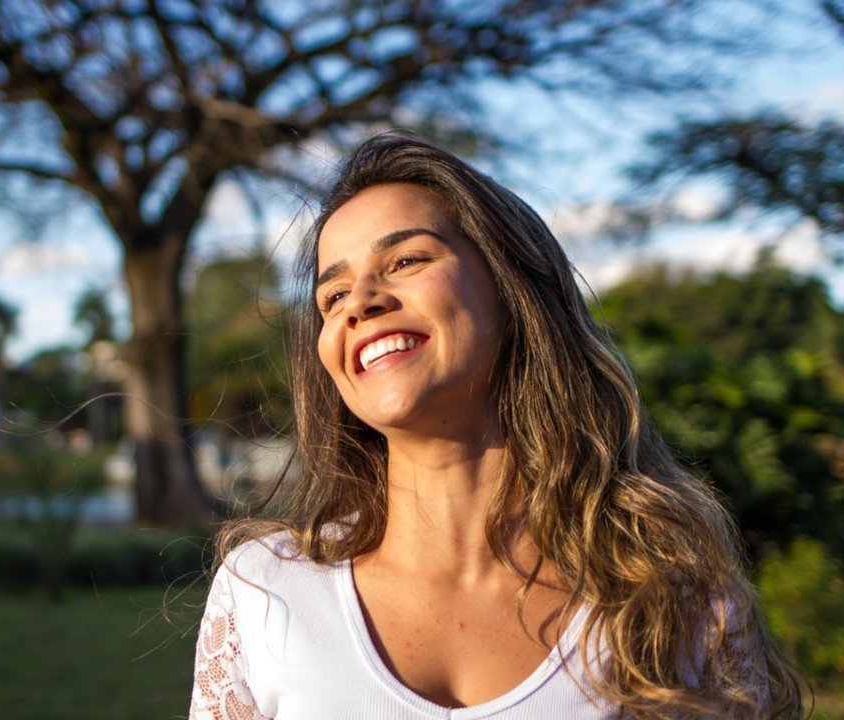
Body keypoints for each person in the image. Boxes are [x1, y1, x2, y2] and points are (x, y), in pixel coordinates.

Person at [189, 133, 803, 719]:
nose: (361, 301)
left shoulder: (671, 599)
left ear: (513, 290)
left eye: (405, 259)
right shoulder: (263, 592)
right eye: (332, 295)